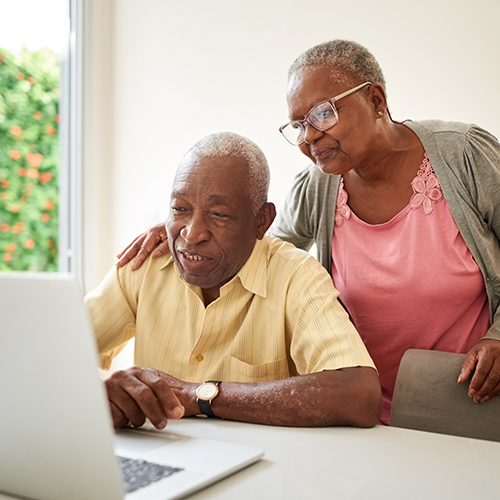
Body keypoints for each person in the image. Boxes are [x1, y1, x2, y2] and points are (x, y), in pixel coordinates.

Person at [117, 40, 500, 426]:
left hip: (465, 397)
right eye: (299, 125)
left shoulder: (463, 156)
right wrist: (187, 226)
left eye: (323, 113)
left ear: (377, 100)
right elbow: (260, 251)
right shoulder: (319, 186)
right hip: (357, 410)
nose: (308, 137)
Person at [86, 131, 381, 430]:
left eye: (219, 214)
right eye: (180, 209)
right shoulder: (144, 265)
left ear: (261, 221)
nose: (192, 233)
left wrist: (197, 395)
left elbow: (359, 395)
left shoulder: (296, 277)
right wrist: (107, 389)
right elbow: (51, 357)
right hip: (159, 460)